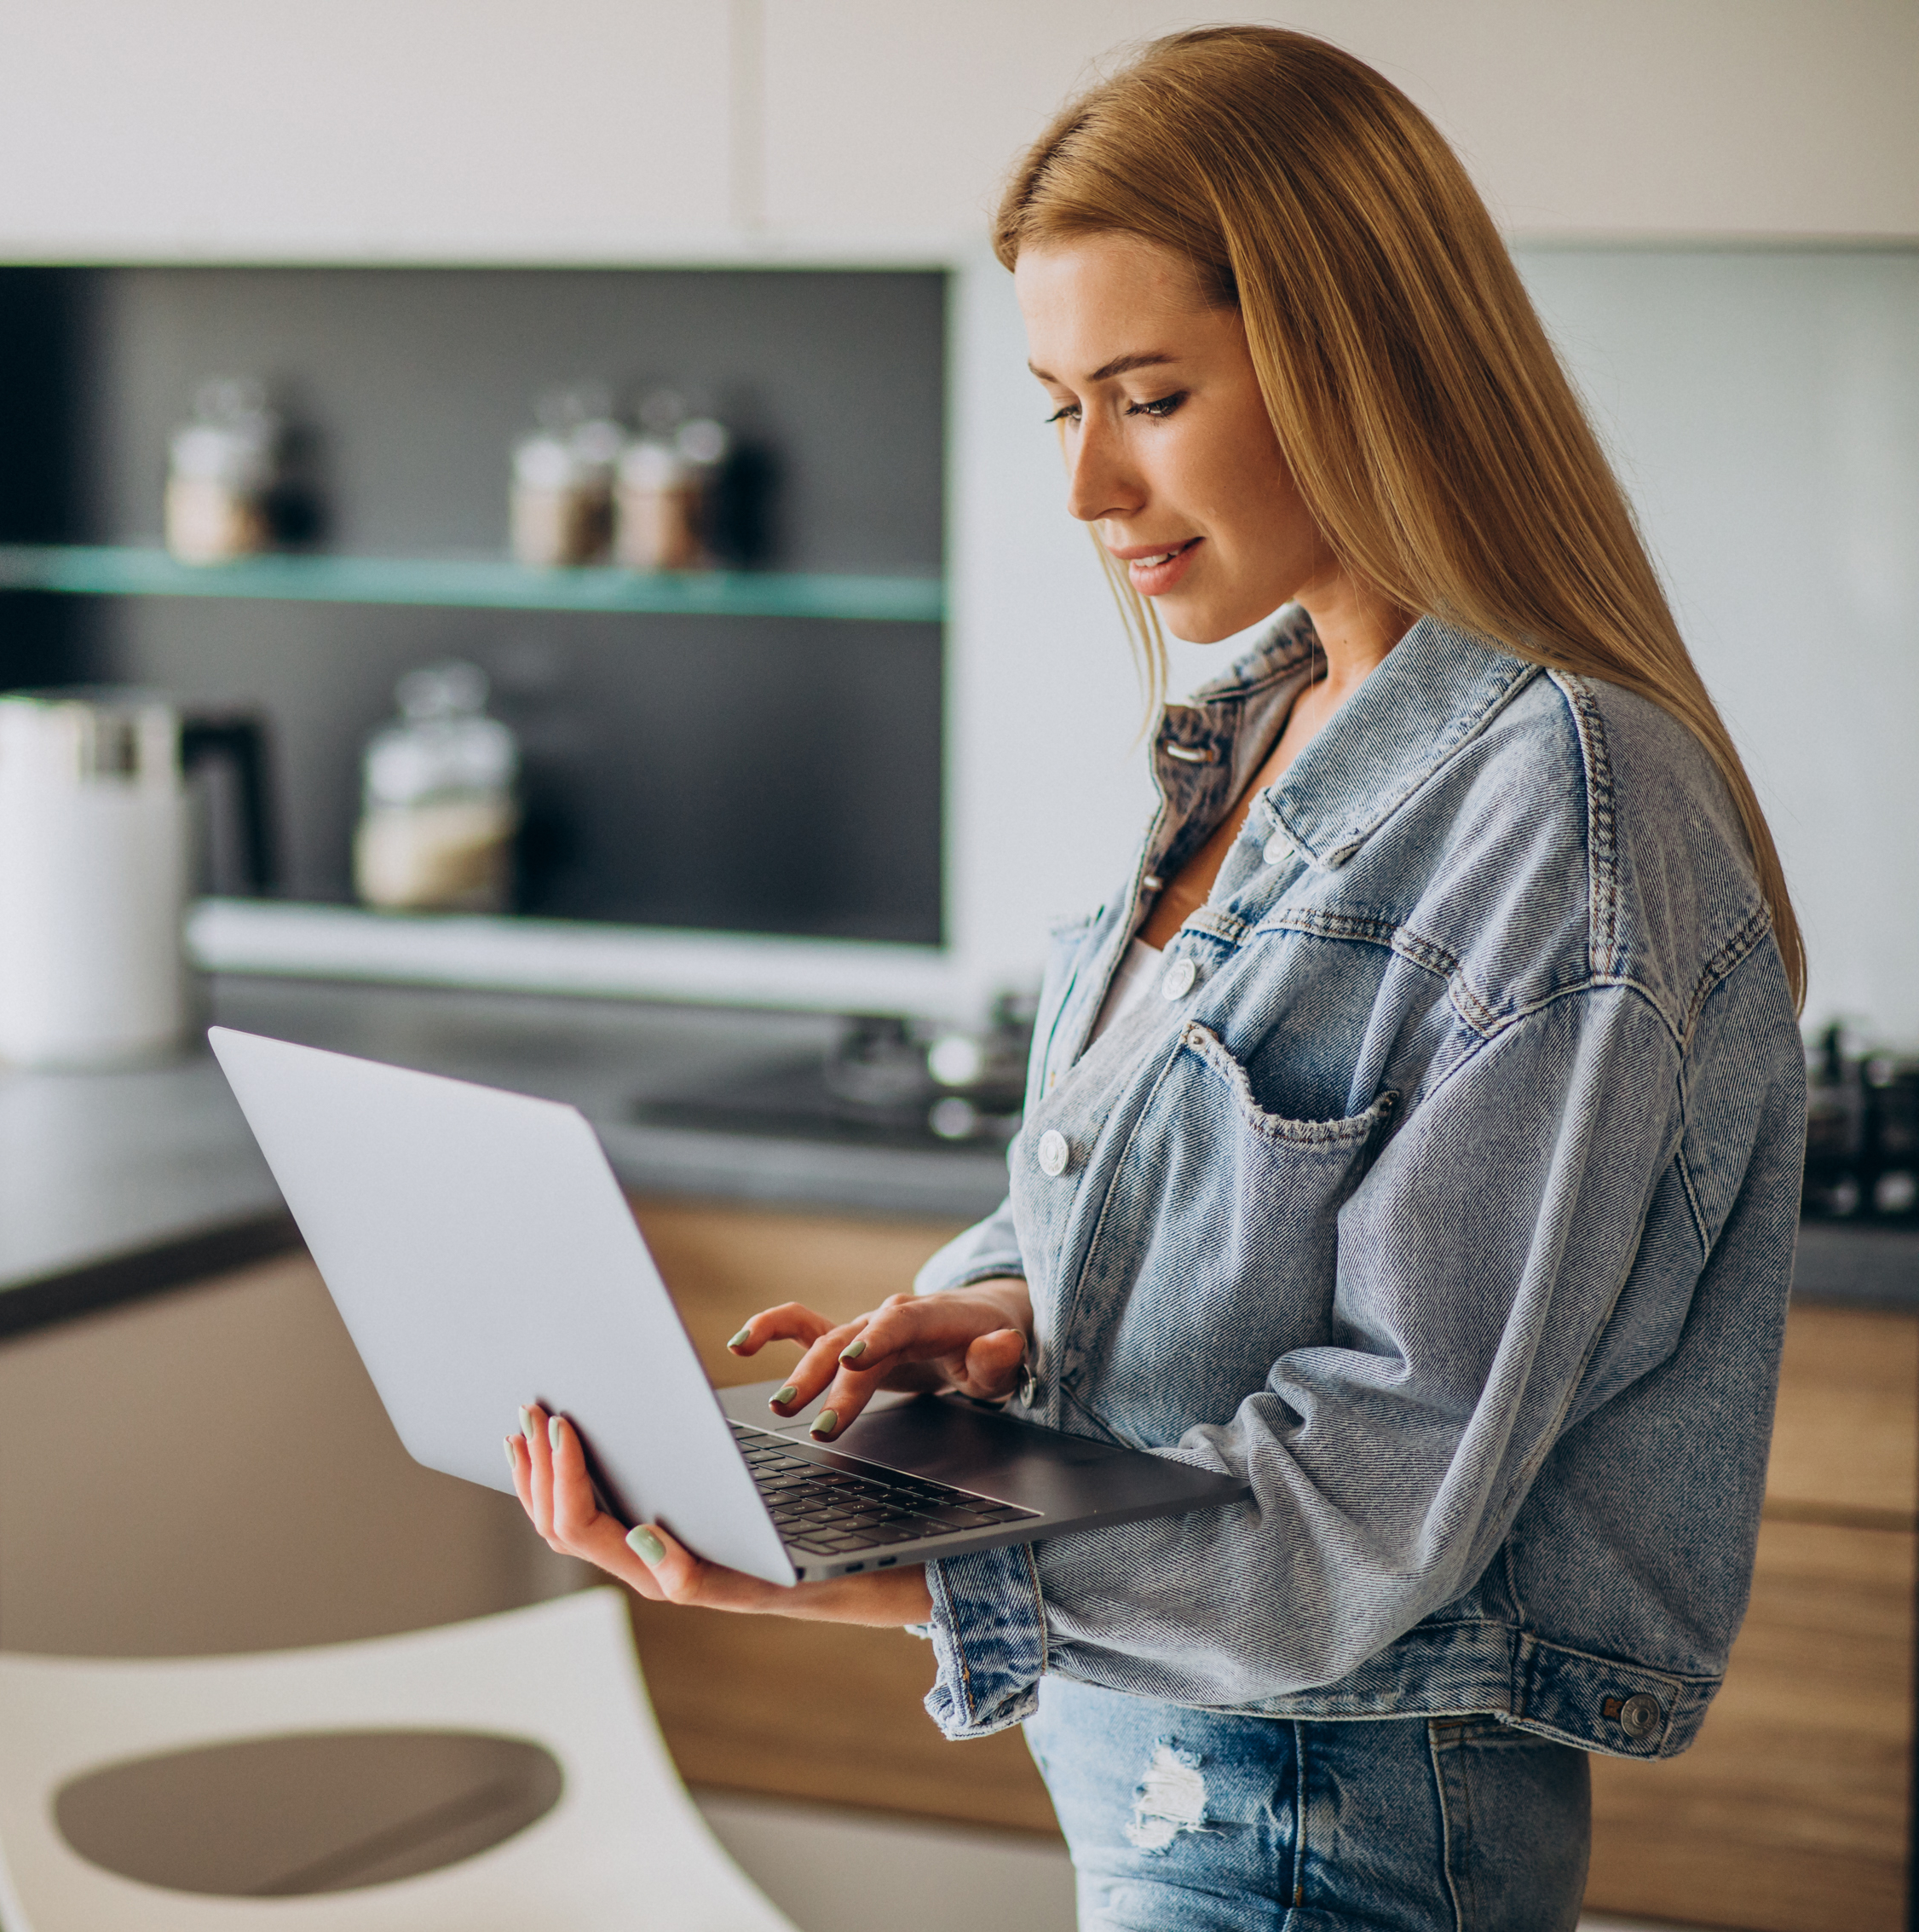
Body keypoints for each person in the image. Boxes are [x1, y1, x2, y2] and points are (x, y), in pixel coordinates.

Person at [506, 26, 1806, 1929]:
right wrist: (1025, 1304)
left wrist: (863, 1573)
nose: (1087, 489)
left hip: (1329, 1825)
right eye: (1057, 405)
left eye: (1149, 394)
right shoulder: (1266, 722)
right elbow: (1241, 1211)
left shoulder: (1563, 800)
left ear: (1353, 361)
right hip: (1181, 1783)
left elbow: (1377, 1480)